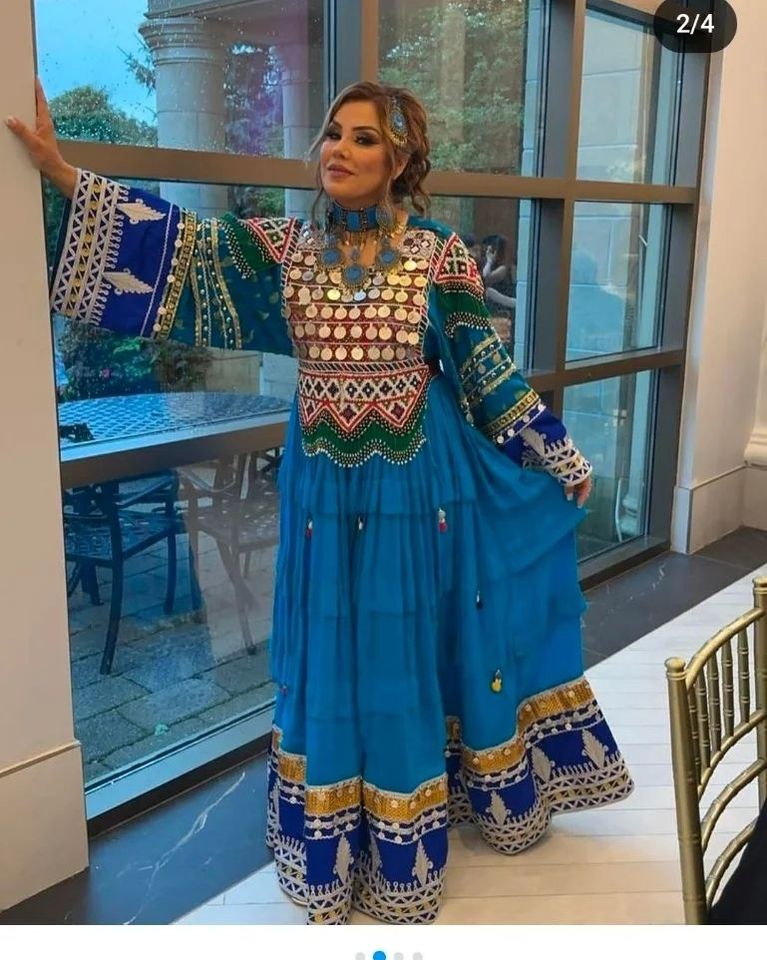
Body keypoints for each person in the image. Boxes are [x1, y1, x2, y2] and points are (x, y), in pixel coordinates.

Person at [7, 78, 633, 925]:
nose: (338, 149)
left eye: (363, 138)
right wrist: (62, 173)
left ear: (400, 159)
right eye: (334, 133)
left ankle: (416, 824)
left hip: (417, 481)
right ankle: (338, 841)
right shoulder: (286, 249)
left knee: (405, 642)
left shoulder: (438, 254)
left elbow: (483, 368)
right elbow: (182, 248)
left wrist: (551, 448)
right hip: (322, 491)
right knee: (330, 645)